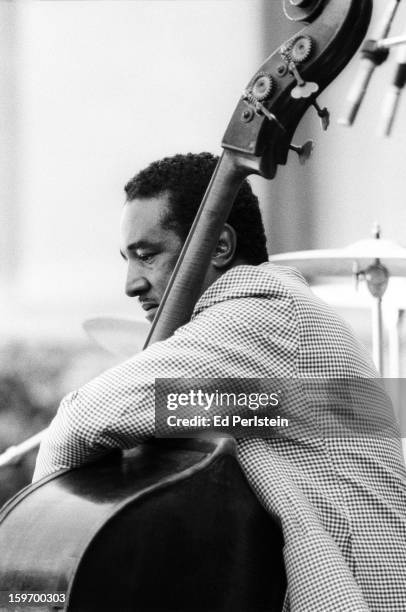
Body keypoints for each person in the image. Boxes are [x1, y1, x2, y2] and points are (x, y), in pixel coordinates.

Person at [33, 152, 406, 611]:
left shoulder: (262, 312)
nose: (131, 284)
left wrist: (39, 574)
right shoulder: (271, 339)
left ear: (220, 247)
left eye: (148, 256)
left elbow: (81, 421)